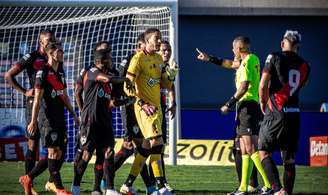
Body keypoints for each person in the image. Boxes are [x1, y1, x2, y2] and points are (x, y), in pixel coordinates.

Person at [196, 36, 271, 195]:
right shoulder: (251, 59)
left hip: (247, 107)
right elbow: (229, 64)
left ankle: (269, 185)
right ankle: (243, 187)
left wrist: (228, 104)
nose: (231, 51)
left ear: (239, 49)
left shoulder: (247, 62)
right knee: (244, 148)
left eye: (233, 48)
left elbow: (243, 87)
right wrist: (209, 58)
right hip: (246, 107)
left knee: (250, 148)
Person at [120, 28, 178, 195]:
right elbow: (127, 86)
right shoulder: (137, 59)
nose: (159, 41)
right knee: (157, 144)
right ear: (146, 42)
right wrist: (142, 103)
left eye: (160, 38)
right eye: (156, 38)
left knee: (146, 147)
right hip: (145, 109)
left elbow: (165, 85)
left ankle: (127, 184)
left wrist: (171, 75)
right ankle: (160, 187)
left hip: (157, 108)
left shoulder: (159, 58)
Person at [71, 47, 132, 195]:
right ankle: (76, 186)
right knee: (86, 155)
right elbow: (107, 79)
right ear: (102, 61)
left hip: (105, 121)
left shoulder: (111, 75)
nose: (112, 61)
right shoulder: (92, 72)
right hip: (90, 121)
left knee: (108, 153)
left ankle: (109, 189)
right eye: (110, 58)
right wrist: (124, 79)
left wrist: (129, 101)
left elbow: (113, 102)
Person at [22, 41, 78, 195]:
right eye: (60, 50)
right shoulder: (43, 72)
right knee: (53, 153)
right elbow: (37, 99)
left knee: (59, 153)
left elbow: (64, 96)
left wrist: (74, 114)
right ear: (51, 53)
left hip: (60, 117)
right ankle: (59, 188)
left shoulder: (60, 72)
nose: (62, 53)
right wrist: (33, 121)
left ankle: (28, 177)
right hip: (47, 119)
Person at [5, 29, 56, 195]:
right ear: (41, 42)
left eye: (53, 39)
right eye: (48, 40)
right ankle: (29, 183)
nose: (51, 42)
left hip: (50, 105)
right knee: (33, 145)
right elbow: (9, 75)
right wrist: (24, 91)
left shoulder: (55, 57)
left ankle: (53, 182)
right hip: (34, 104)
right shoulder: (32, 57)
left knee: (54, 145)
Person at [259, 30, 310, 195]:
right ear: (298, 46)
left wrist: (262, 102)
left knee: (263, 151)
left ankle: (278, 189)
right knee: (289, 158)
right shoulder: (305, 65)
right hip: (294, 113)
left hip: (276, 111)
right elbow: (303, 85)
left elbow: (263, 84)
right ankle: (287, 192)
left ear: (283, 43)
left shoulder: (273, 57)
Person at [147, 40, 176, 192]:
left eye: (169, 50)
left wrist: (174, 102)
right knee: (143, 148)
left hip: (160, 109)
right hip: (147, 110)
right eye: (164, 50)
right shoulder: (151, 65)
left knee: (159, 147)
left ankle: (159, 183)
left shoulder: (167, 67)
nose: (167, 52)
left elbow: (170, 86)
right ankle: (109, 180)